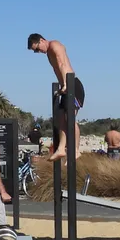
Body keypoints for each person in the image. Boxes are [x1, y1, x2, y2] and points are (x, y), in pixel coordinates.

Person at [27, 33, 85, 164]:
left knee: (70, 117)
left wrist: (65, 83)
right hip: (65, 86)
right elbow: (56, 68)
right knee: (61, 118)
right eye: (35, 51)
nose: (38, 52)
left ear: (41, 40)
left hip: (72, 85)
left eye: (37, 48)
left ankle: (76, 150)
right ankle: (61, 148)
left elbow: (62, 64)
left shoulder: (54, 45)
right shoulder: (48, 53)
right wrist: (61, 86)